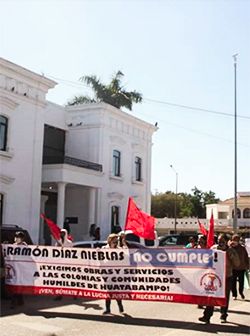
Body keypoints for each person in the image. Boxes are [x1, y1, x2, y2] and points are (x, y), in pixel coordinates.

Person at [198, 233, 240, 324]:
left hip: (226, 277)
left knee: (224, 297)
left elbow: (237, 264)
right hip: (214, 276)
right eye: (219, 241)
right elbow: (206, 260)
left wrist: (230, 254)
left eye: (222, 241)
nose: (220, 243)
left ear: (226, 241)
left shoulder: (231, 251)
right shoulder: (213, 248)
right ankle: (207, 316)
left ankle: (223, 315)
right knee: (211, 295)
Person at [102, 233, 124, 315]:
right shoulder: (104, 248)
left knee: (116, 291)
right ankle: (108, 309)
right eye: (114, 241)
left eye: (116, 241)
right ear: (110, 241)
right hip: (107, 273)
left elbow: (124, 257)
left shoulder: (119, 249)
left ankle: (120, 305)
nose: (115, 242)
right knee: (108, 292)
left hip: (116, 273)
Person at [10, 231, 28, 308]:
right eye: (16, 237)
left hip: (21, 269)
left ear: (22, 238)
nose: (17, 239)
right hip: (14, 268)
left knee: (18, 284)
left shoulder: (25, 246)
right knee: (15, 284)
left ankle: (14, 302)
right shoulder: (13, 246)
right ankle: (19, 300)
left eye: (18, 237)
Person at [230, 234, 249, 300]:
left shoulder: (242, 248)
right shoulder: (230, 248)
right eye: (234, 239)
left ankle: (241, 292)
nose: (235, 241)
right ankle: (234, 294)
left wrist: (247, 265)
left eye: (236, 239)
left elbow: (246, 257)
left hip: (241, 268)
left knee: (241, 282)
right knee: (233, 282)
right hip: (233, 268)